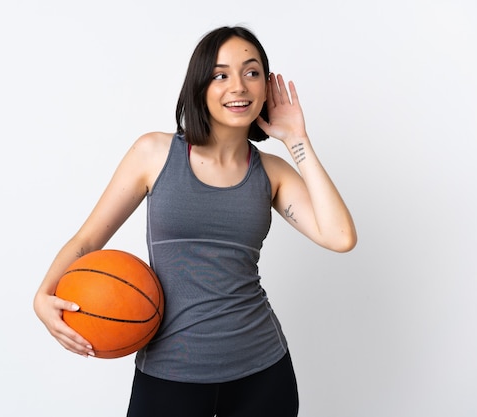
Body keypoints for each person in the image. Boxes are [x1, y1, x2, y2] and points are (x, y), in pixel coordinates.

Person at [34, 25, 357, 417]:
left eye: (251, 72)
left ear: (264, 88)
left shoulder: (272, 173)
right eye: (221, 75)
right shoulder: (154, 153)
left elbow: (341, 237)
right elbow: (87, 242)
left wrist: (296, 139)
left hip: (262, 371)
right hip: (170, 372)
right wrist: (43, 295)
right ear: (200, 85)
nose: (238, 86)